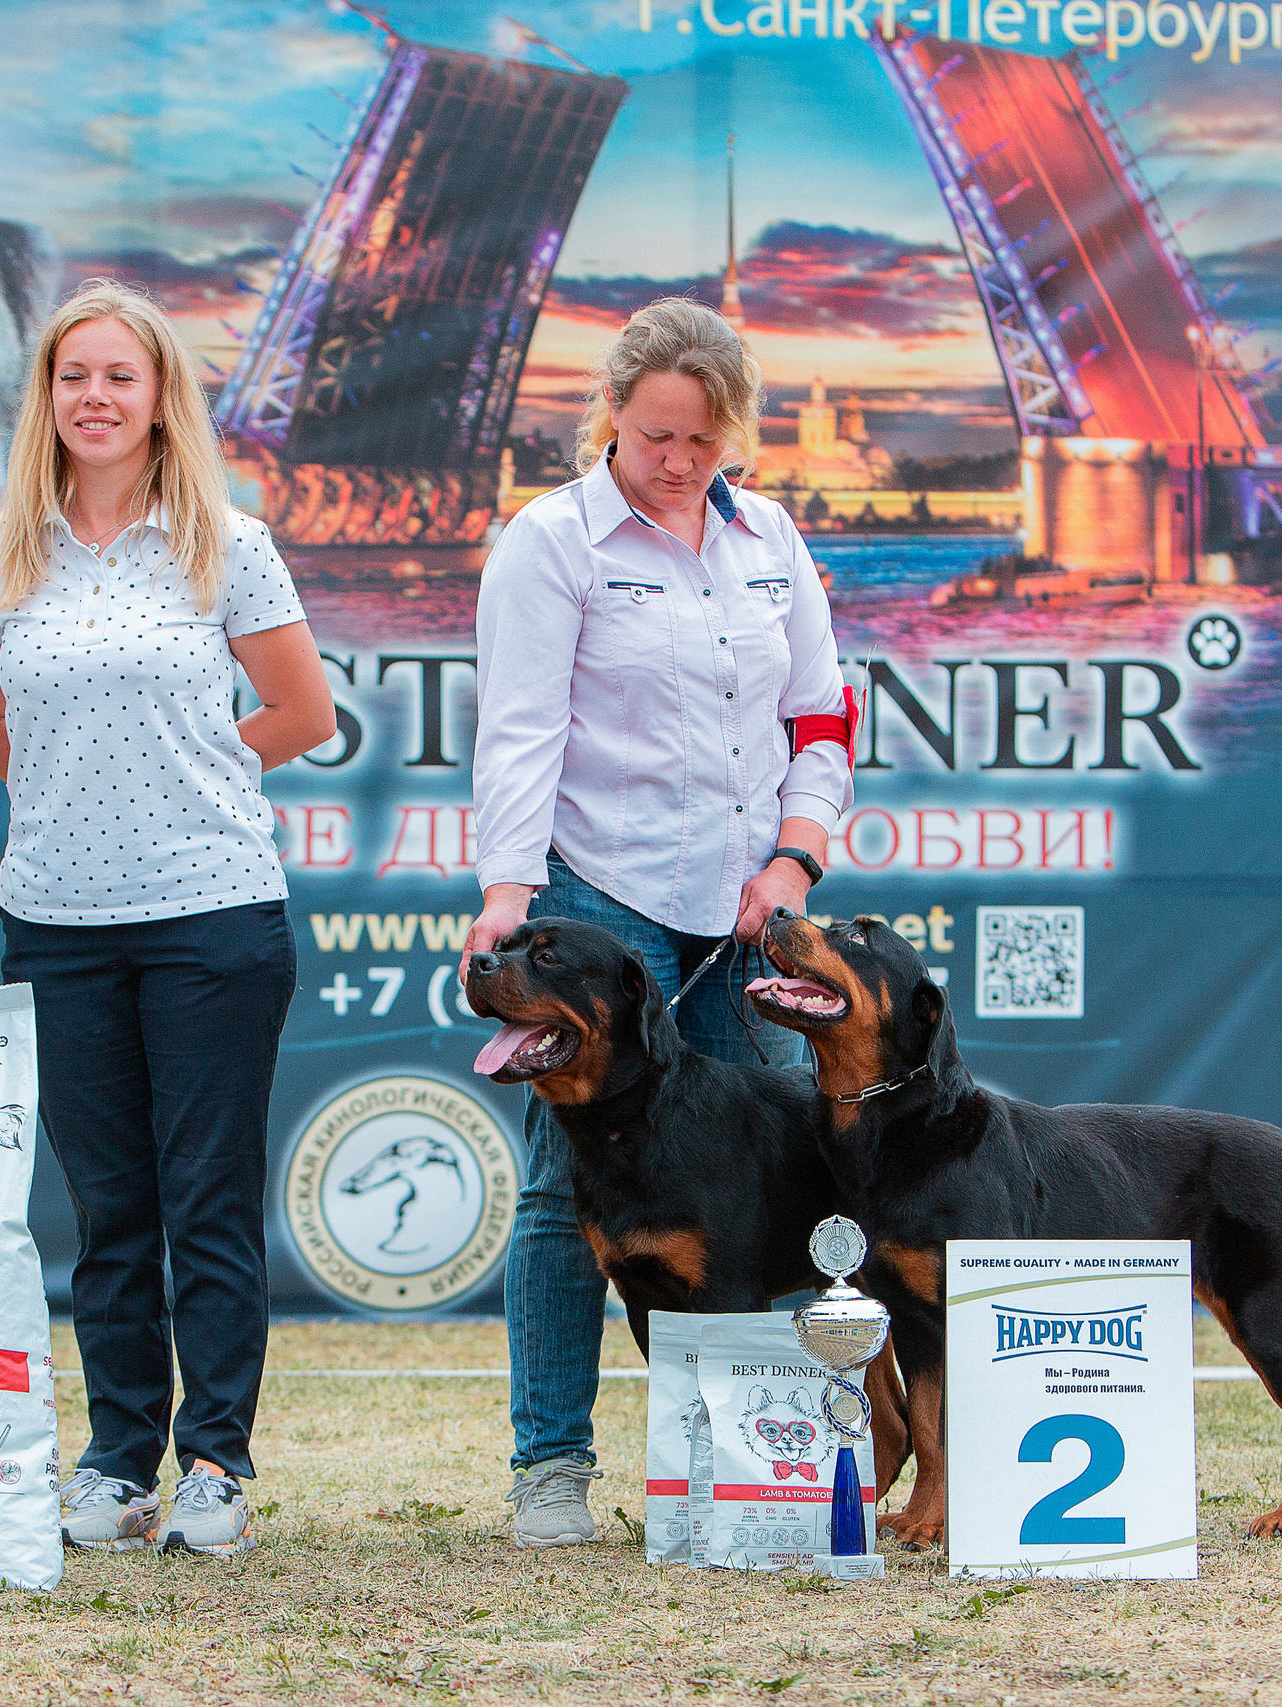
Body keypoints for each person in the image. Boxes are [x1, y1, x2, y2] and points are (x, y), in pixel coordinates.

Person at [0, 279, 335, 1558]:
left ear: (161, 395)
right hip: (55, 923)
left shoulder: (226, 538)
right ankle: (117, 1461)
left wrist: (184, 772)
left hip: (212, 916)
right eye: (73, 378)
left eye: (119, 376)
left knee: (206, 1198)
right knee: (107, 1208)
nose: (94, 399)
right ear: (46, 400)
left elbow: (301, 714)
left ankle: (215, 1462)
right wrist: (76, 796)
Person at [466, 298, 852, 1547]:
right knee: (556, 1192)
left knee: (792, 1162)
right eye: (651, 437)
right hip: (597, 891)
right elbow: (520, 727)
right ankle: (551, 1470)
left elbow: (821, 718)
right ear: (612, 421)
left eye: (698, 440)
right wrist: (508, 894)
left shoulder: (773, 540)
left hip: (750, 909)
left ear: (731, 431)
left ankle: (763, 1459)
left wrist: (795, 858)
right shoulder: (552, 538)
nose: (675, 462)